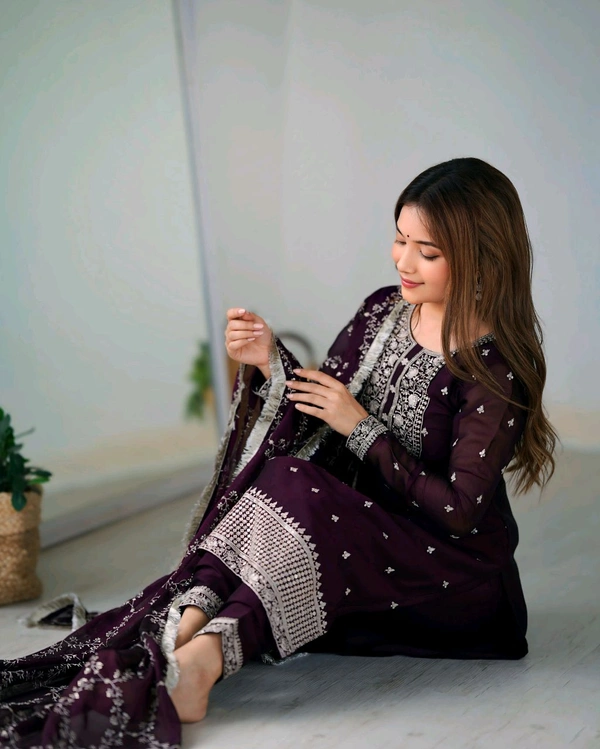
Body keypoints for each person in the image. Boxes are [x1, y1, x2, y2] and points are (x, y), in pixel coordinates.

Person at [0, 157, 557, 747]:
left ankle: (200, 662)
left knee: (302, 493)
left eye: (428, 252)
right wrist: (270, 360)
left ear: (480, 257)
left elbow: (459, 509)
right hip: (351, 536)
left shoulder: (493, 368)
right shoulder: (382, 311)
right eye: (399, 240)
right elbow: (320, 417)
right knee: (290, 474)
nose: (403, 262)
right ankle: (184, 632)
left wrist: (361, 426)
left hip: (447, 578)